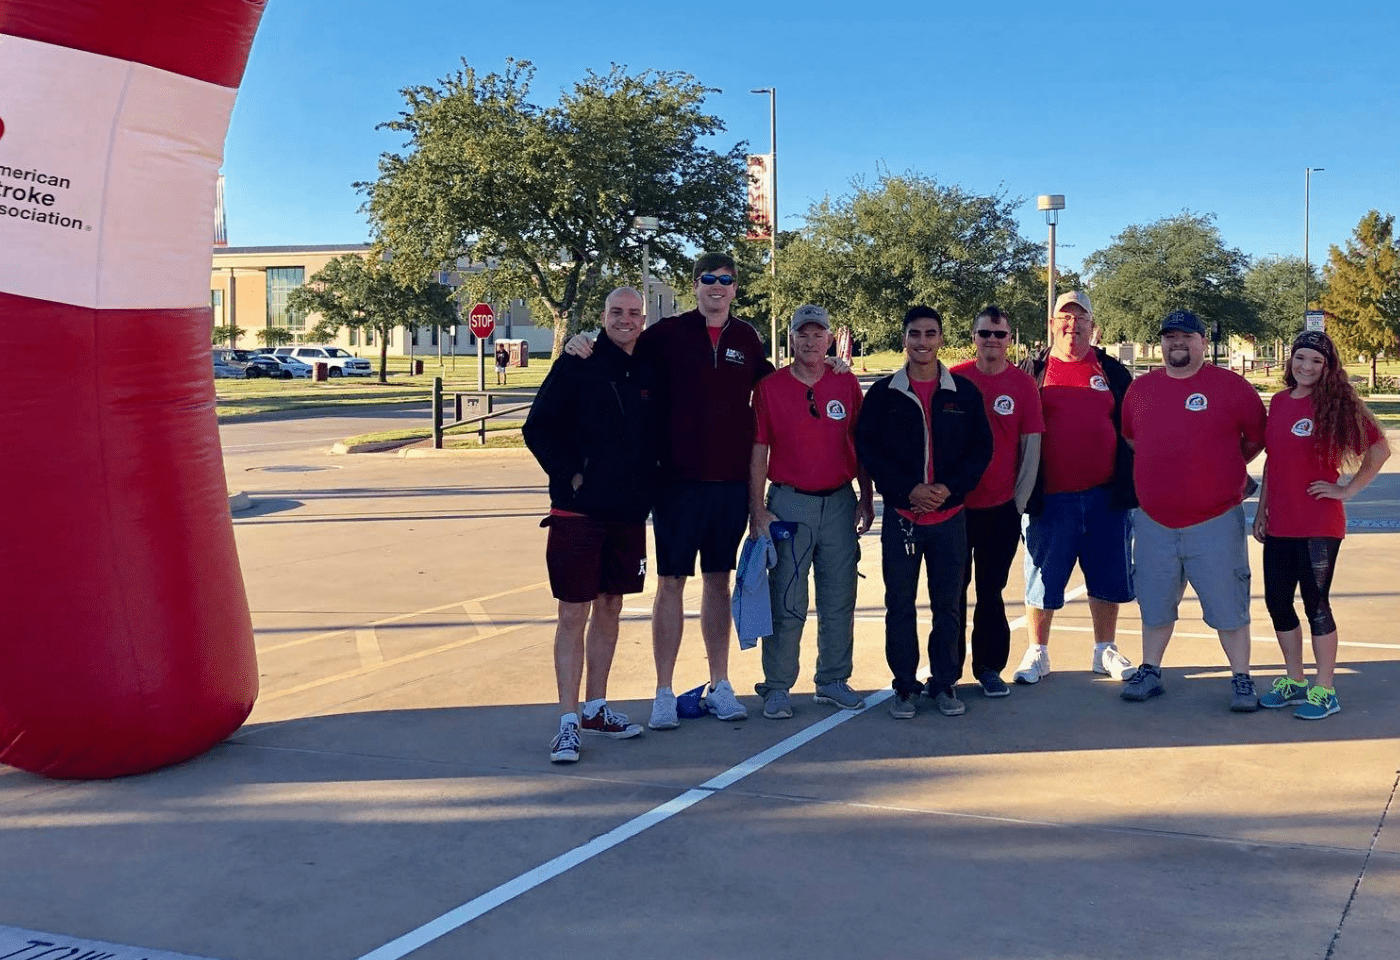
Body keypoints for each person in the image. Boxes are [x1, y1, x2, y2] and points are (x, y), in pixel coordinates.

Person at [565, 253, 775, 728]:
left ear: (736, 288)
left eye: (726, 280)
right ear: (695, 285)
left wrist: (829, 362)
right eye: (708, 280)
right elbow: (619, 351)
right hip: (676, 483)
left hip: (729, 485)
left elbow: (776, 383)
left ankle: (719, 683)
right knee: (672, 583)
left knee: (719, 581)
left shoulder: (746, 338)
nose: (717, 287)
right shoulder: (666, 334)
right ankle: (663, 690)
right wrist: (581, 342)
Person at [523, 287, 657, 763]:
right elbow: (537, 427)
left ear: (644, 318)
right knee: (572, 612)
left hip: (626, 512)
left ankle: (597, 707)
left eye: (634, 313)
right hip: (578, 511)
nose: (625, 320)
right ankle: (567, 720)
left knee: (611, 604)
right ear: (603, 317)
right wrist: (571, 473)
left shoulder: (648, 365)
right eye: (616, 312)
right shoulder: (578, 360)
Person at [1119, 310, 1267, 710]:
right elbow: (1133, 439)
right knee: (1154, 602)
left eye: (1186, 336)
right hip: (1153, 521)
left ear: (1203, 341)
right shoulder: (1141, 390)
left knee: (1229, 606)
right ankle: (1150, 670)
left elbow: (1256, 438)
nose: (1177, 343)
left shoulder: (1231, 388)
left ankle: (1241, 678)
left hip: (1215, 520)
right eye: (1169, 337)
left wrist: (1222, 468)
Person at [856, 306, 993, 719]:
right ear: (904, 339)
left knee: (948, 604)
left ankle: (945, 682)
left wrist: (947, 489)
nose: (922, 341)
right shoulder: (883, 394)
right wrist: (909, 489)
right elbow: (869, 450)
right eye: (915, 334)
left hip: (949, 518)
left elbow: (980, 449)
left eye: (930, 334)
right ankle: (904, 686)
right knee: (899, 604)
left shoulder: (963, 393)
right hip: (902, 517)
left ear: (941, 339)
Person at [1253, 330, 1390, 720]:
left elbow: (1379, 449)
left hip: (1319, 524)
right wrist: (1262, 510)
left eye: (1316, 361)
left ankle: (1325, 689)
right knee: (1277, 602)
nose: (1306, 366)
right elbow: (1273, 461)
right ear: (1290, 360)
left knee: (1316, 605)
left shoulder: (1338, 405)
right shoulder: (1279, 402)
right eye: (1301, 358)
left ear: (1328, 367)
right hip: (1280, 522)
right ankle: (1295, 681)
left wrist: (1347, 490)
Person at [748, 304, 875, 720]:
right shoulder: (770, 387)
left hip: (839, 501)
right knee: (787, 597)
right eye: (803, 333)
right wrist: (757, 510)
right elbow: (759, 451)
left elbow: (861, 442)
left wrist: (865, 495)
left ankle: (833, 680)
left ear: (829, 340)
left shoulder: (845, 382)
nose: (810, 341)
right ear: (792, 339)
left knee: (840, 595)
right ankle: (778, 685)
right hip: (789, 502)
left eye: (818, 334)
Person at [1012, 291, 1137, 685]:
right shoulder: (1032, 370)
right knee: (1041, 578)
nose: (1072, 325)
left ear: (1092, 325)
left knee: (1108, 577)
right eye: (1064, 318)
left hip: (1106, 497)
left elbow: (1135, 429)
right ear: (1051, 324)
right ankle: (1037, 652)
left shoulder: (1113, 372)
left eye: (1080, 318)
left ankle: (1105, 651)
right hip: (1049, 499)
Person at [951, 306, 1044, 697]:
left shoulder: (1022, 386)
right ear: (973, 336)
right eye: (985, 333)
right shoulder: (953, 379)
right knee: (951, 591)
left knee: (990, 591)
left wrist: (1017, 503)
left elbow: (1031, 446)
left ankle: (989, 667)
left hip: (999, 508)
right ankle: (946, 671)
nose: (992, 340)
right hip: (954, 508)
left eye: (999, 334)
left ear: (1010, 339)